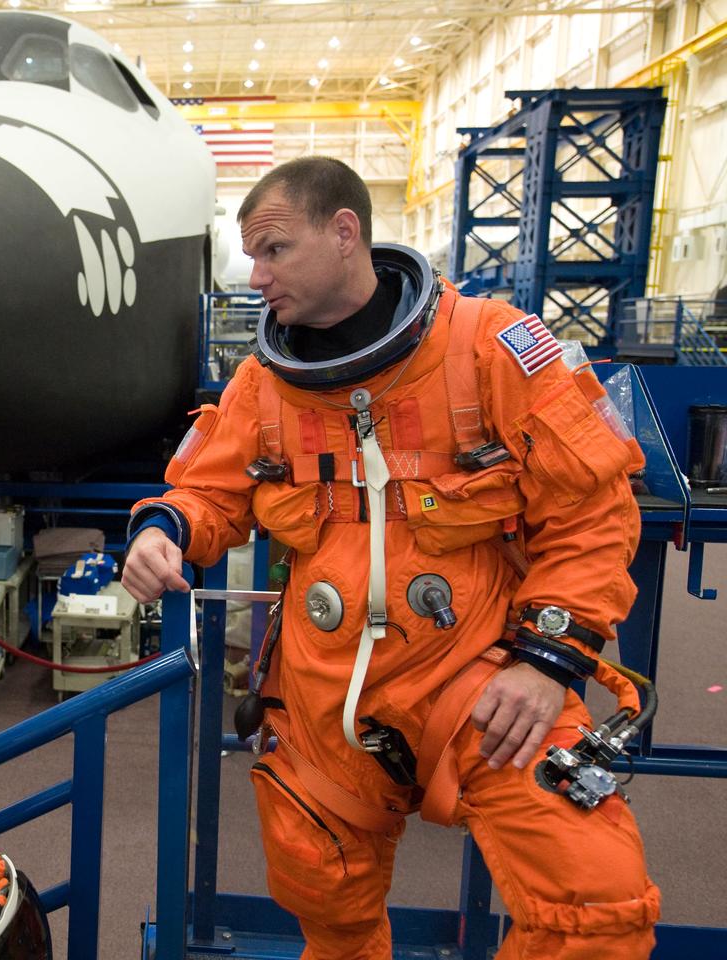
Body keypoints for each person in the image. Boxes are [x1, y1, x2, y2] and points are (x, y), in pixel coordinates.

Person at [123, 157, 659, 959]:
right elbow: (208, 491)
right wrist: (162, 529)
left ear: (346, 234)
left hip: (483, 684)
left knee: (598, 910)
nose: (256, 275)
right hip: (321, 701)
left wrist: (548, 661)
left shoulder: (491, 348)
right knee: (323, 902)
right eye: (252, 256)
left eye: (273, 250)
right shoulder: (263, 386)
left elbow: (591, 509)